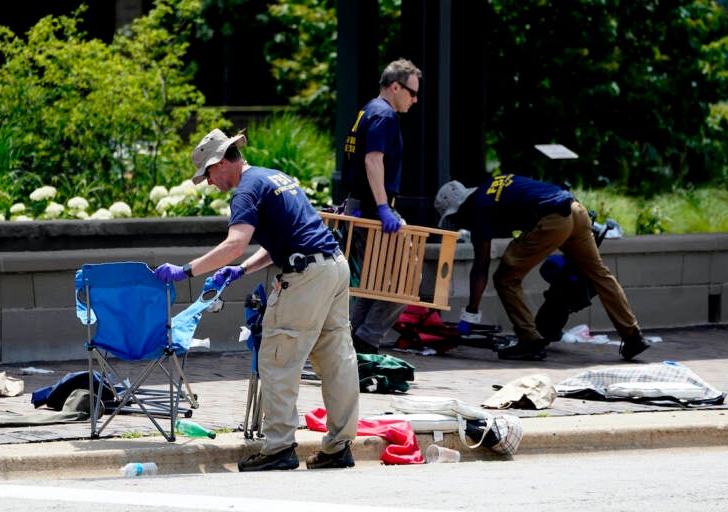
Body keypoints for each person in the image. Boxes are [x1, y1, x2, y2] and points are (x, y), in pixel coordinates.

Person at [154, 128, 360, 471]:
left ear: (220, 162)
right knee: (336, 359)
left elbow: (235, 243)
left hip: (305, 276)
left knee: (278, 357)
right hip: (333, 268)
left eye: (207, 172)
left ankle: (278, 448)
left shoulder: (246, 191)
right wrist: (242, 270)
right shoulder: (275, 177)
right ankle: (339, 447)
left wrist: (186, 270)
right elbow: (285, 238)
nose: (208, 182)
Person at [434, 175, 650, 361]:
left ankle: (530, 340)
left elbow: (481, 265)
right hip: (575, 210)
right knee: (599, 274)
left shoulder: (478, 208)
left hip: (553, 218)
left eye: (455, 219)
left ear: (460, 209)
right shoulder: (494, 185)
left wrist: (471, 312)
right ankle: (633, 336)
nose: (460, 224)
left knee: (505, 277)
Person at [341, 58, 423, 354]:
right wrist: (382, 208)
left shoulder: (368, 111)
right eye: (412, 92)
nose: (415, 99)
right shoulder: (383, 115)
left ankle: (354, 340)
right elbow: (372, 160)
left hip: (362, 205)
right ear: (395, 86)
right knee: (407, 276)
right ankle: (366, 337)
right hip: (374, 207)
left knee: (376, 279)